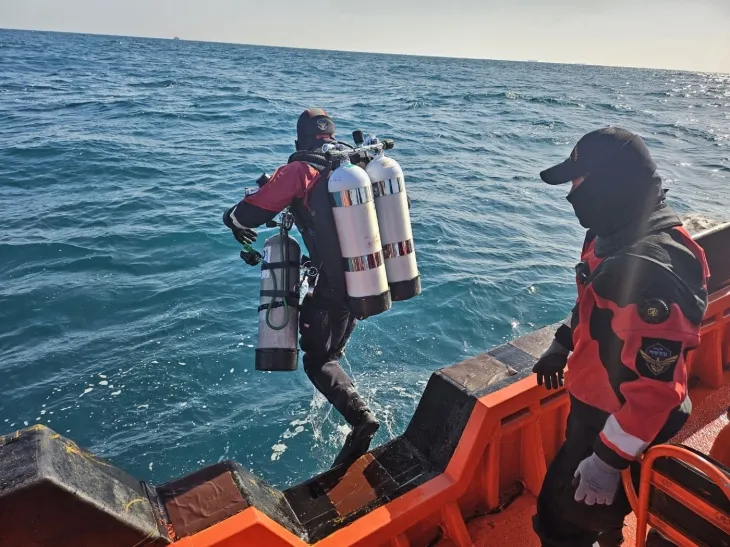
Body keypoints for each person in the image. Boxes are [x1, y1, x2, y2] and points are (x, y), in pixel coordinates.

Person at [530, 127, 710, 547]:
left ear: (609, 184)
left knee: (559, 525)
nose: (572, 193)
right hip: (596, 400)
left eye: (578, 181)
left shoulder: (650, 271)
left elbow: (656, 390)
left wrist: (608, 460)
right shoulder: (611, 234)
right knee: (597, 512)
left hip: (621, 417)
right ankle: (608, 528)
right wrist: (563, 342)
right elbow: (594, 301)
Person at [222, 108, 380, 467]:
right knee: (331, 354)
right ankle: (357, 412)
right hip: (366, 279)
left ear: (299, 141)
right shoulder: (353, 165)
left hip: (332, 288)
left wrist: (229, 218)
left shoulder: (299, 170)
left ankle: (361, 421)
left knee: (316, 360)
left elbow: (248, 215)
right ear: (331, 136)